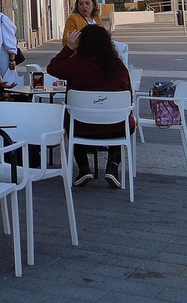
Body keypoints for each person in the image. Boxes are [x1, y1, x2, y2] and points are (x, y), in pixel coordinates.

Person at [47, 24, 133, 189]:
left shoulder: (75, 64)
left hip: (82, 127)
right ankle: (113, 166)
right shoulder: (117, 65)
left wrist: (68, 48)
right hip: (115, 126)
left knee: (70, 117)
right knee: (126, 121)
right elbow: (127, 95)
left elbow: (52, 68)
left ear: (82, 43)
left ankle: (84, 168)